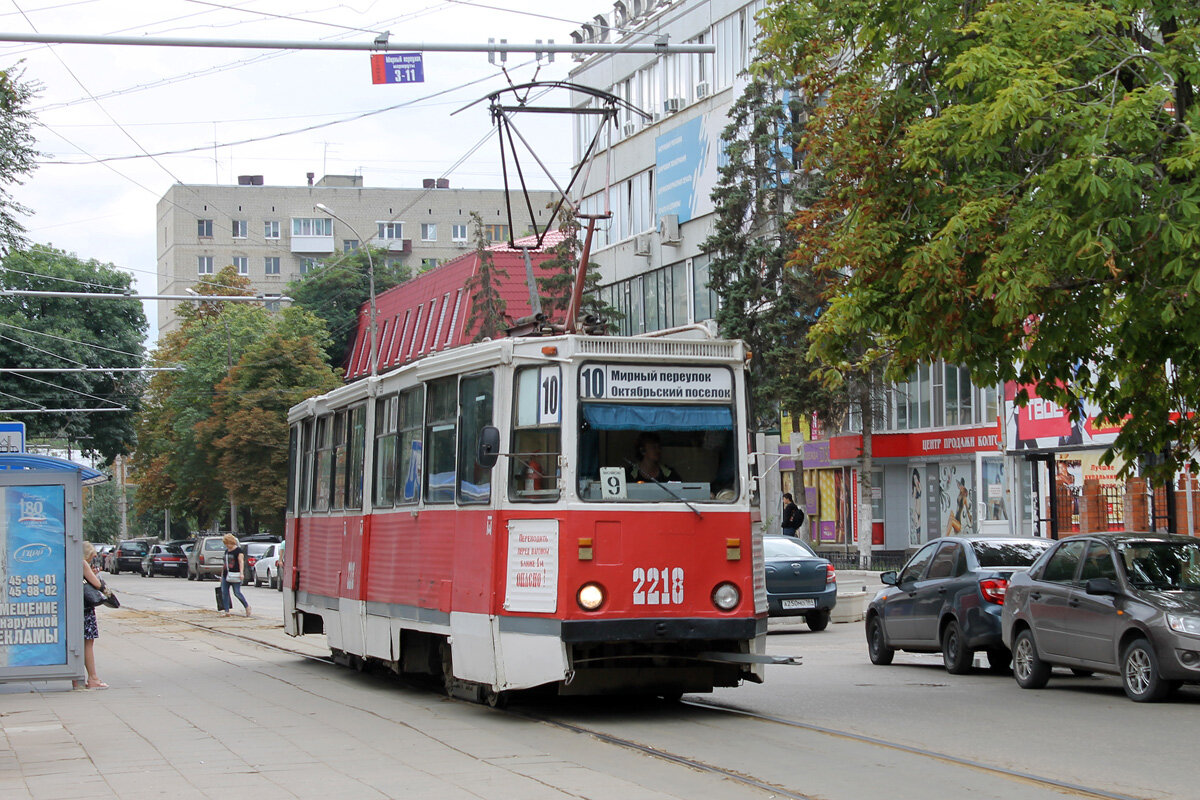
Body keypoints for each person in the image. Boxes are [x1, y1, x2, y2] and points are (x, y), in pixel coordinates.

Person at [77, 542, 108, 689]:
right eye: (92, 557)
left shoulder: (70, 561)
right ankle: (93, 678)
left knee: (79, 642)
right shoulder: (82, 563)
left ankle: (76, 678)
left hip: (75, 608)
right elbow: (96, 584)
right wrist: (94, 574)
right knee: (88, 643)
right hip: (85, 608)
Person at [220, 534, 252, 617]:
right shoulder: (226, 551)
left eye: (228, 543)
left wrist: (241, 573)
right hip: (226, 574)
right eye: (225, 544)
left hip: (235, 574)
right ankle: (226, 611)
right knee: (224, 592)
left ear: (232, 542)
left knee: (237, 592)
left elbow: (241, 562)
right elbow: (224, 564)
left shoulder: (238, 551)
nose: (227, 545)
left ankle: (247, 606)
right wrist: (222, 575)